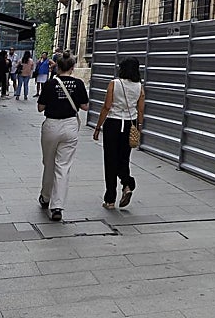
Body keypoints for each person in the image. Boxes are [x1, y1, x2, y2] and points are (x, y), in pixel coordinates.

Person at [36, 52, 89, 222]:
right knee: (63, 166)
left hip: (51, 125)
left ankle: (45, 196)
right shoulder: (79, 83)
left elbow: (40, 107)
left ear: (57, 67)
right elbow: (85, 106)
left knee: (48, 162)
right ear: (73, 68)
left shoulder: (51, 84)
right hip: (70, 125)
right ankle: (57, 206)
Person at [92, 57, 145, 209]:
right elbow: (140, 109)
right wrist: (139, 127)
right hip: (130, 124)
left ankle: (110, 199)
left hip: (113, 124)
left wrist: (97, 127)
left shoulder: (114, 84)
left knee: (110, 160)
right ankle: (127, 184)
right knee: (124, 158)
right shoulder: (139, 87)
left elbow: (107, 106)